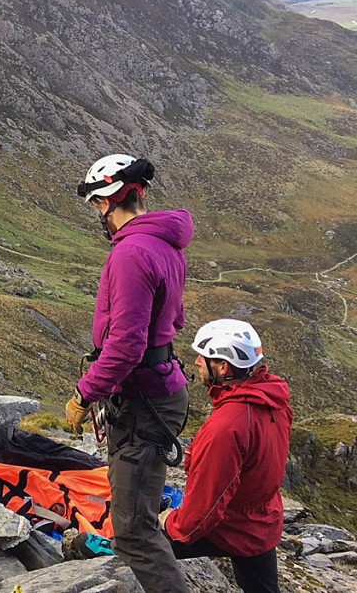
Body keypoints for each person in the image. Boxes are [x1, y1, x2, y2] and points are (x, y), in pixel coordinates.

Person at [64, 154, 193, 593]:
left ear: (105, 202)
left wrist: (84, 394)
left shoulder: (131, 252)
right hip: (156, 389)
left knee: (134, 530)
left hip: (143, 400)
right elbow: (170, 321)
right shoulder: (163, 243)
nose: (98, 215)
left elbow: (126, 344)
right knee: (135, 513)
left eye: (96, 206)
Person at [161, 320, 292, 593]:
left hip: (230, 526)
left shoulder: (227, 426)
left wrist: (170, 524)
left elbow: (205, 507)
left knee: (136, 546)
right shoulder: (274, 402)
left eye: (204, 356)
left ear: (223, 367)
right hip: (261, 522)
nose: (196, 361)